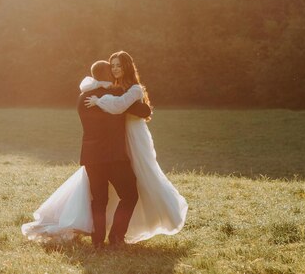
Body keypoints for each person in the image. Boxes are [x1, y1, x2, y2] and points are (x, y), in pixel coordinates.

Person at [22, 52, 187, 245]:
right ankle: (117, 237)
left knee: (98, 200)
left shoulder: (82, 97)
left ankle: (98, 241)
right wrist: (142, 107)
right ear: (108, 74)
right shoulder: (116, 93)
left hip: (91, 156)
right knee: (130, 195)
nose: (115, 71)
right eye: (112, 68)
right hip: (115, 156)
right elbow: (142, 110)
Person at [84, 51, 187, 243]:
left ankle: (119, 233)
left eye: (119, 65)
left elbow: (119, 105)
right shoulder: (113, 87)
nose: (115, 69)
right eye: (112, 65)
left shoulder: (135, 89)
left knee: (142, 177)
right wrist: (104, 87)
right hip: (118, 140)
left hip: (134, 137)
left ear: (127, 67)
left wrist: (99, 100)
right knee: (119, 187)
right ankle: (112, 233)